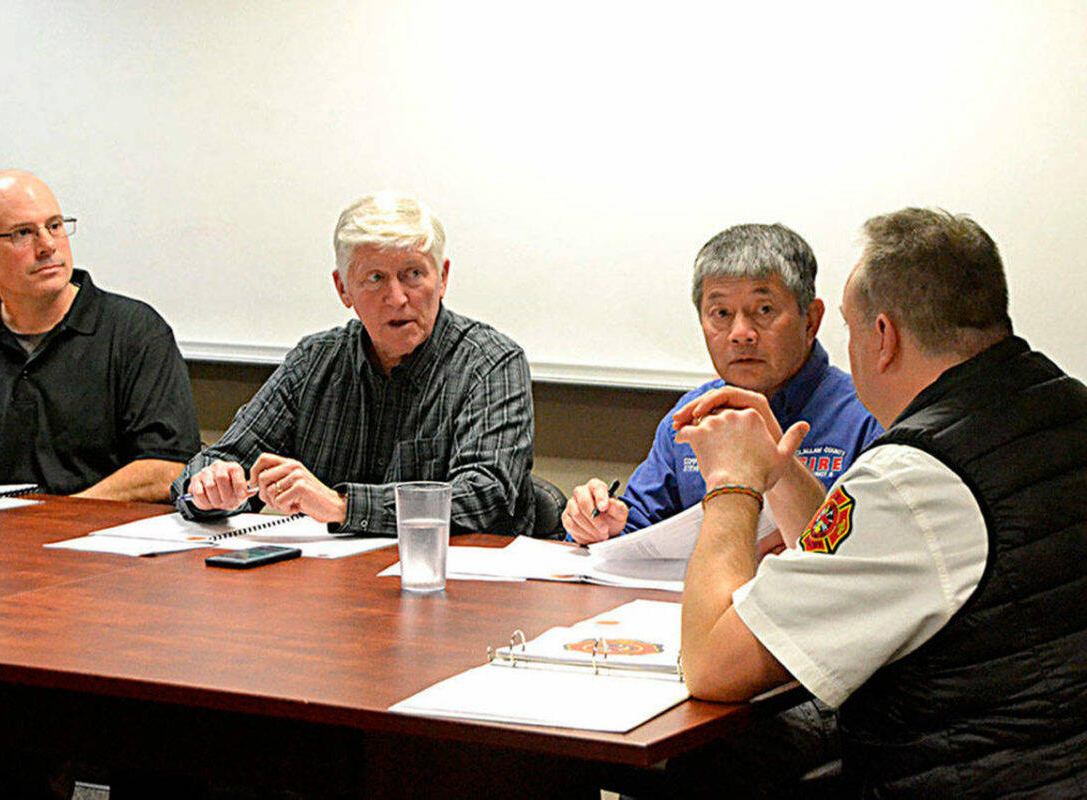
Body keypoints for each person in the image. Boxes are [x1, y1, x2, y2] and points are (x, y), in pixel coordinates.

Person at [676, 208, 1087, 796]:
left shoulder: (914, 478)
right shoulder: (1063, 408)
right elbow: (850, 564)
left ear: (883, 337)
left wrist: (732, 484)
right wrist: (778, 469)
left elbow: (715, 667)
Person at [173, 191, 535, 536]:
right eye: (376, 278)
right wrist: (211, 488)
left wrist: (342, 506)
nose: (397, 298)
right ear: (343, 288)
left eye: (413, 274)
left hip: (447, 573)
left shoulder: (490, 363)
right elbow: (218, 462)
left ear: (442, 278)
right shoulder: (314, 361)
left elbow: (485, 496)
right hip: (329, 575)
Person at [562, 223, 880, 547]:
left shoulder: (869, 414)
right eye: (721, 313)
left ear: (810, 320)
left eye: (764, 310)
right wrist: (600, 524)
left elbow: (876, 553)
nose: (741, 333)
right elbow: (634, 531)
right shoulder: (691, 415)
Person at [0, 169, 200, 501]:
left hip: (97, 529)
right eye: (23, 233)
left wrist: (56, 518)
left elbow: (167, 467)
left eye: (54, 226)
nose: (48, 246)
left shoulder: (136, 332)